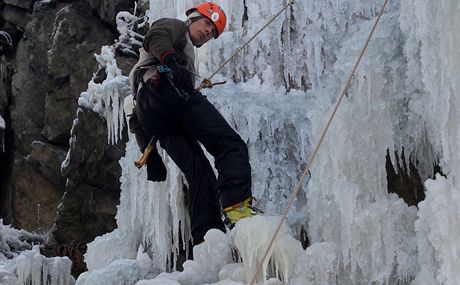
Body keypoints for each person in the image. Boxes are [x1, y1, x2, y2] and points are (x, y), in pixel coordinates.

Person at [128, 2, 261, 245]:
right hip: (168, 92)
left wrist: (150, 155)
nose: (207, 31)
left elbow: (136, 115)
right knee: (229, 144)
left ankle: (208, 241)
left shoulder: (157, 66)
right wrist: (171, 60)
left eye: (212, 32)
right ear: (192, 18)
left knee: (200, 174)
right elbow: (156, 35)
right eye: (206, 23)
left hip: (155, 116)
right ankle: (238, 210)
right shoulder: (177, 28)